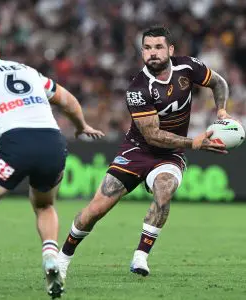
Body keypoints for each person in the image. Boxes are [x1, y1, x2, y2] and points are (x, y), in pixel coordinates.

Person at [57, 25, 232, 279]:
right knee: (96, 209)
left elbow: (219, 83)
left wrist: (222, 111)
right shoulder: (138, 89)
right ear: (142, 53)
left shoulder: (188, 67)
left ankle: (141, 255)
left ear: (170, 50)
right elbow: (153, 135)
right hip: (137, 150)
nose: (153, 53)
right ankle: (62, 259)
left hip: (170, 154)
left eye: (159, 47)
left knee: (164, 188)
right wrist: (193, 142)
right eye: (148, 48)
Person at [0, 25, 104, 299]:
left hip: (16, 144)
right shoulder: (28, 71)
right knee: (44, 205)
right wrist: (81, 126)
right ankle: (51, 255)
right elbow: (68, 101)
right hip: (54, 143)